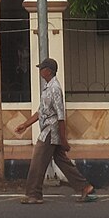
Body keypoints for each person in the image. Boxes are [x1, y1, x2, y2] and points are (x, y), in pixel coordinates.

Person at [15, 57, 95, 205]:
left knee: (38, 161)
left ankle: (34, 194)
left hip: (51, 132)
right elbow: (41, 112)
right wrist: (25, 125)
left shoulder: (55, 89)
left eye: (42, 68)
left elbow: (60, 116)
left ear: (49, 71)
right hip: (49, 130)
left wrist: (63, 139)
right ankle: (85, 187)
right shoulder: (47, 88)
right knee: (62, 161)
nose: (40, 71)